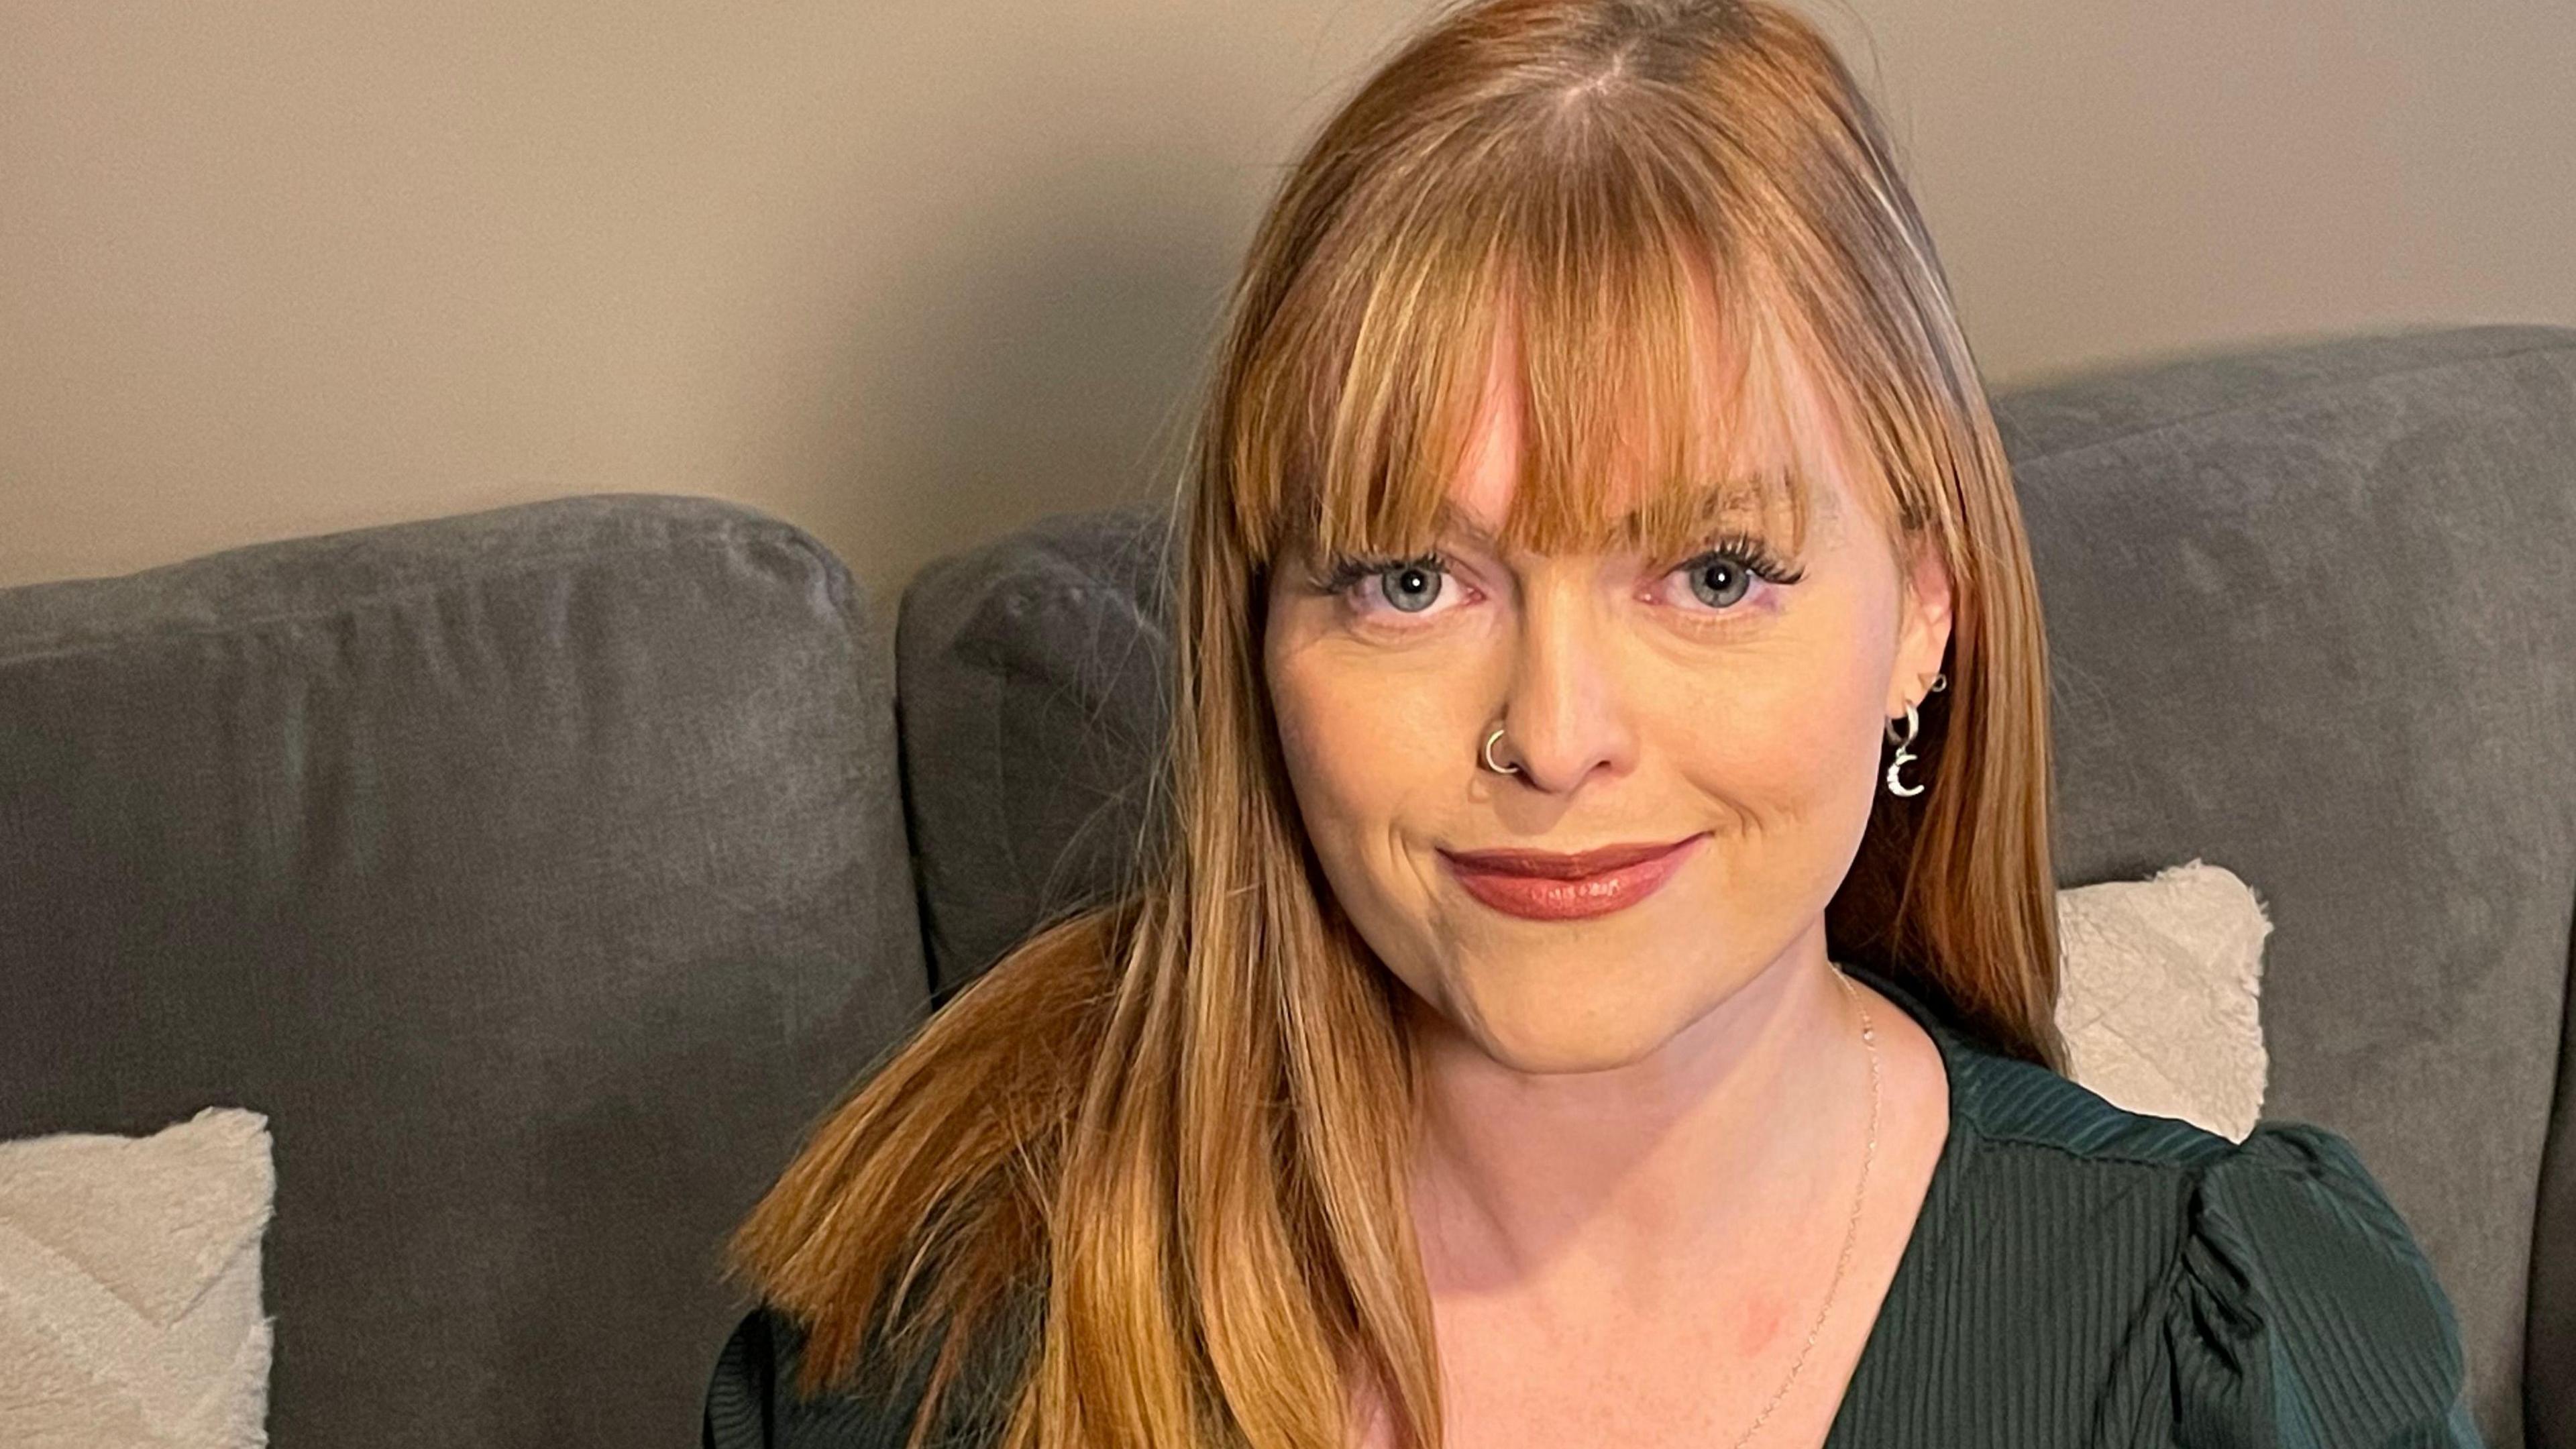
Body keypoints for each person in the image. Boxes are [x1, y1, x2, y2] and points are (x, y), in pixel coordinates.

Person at [702, 1, 2484, 1445]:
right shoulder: (945, 1327)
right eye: (1412, 580)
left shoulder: (2231, 1349)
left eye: (1713, 573)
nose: (1555, 738)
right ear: (1257, 648)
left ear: (1923, 619)